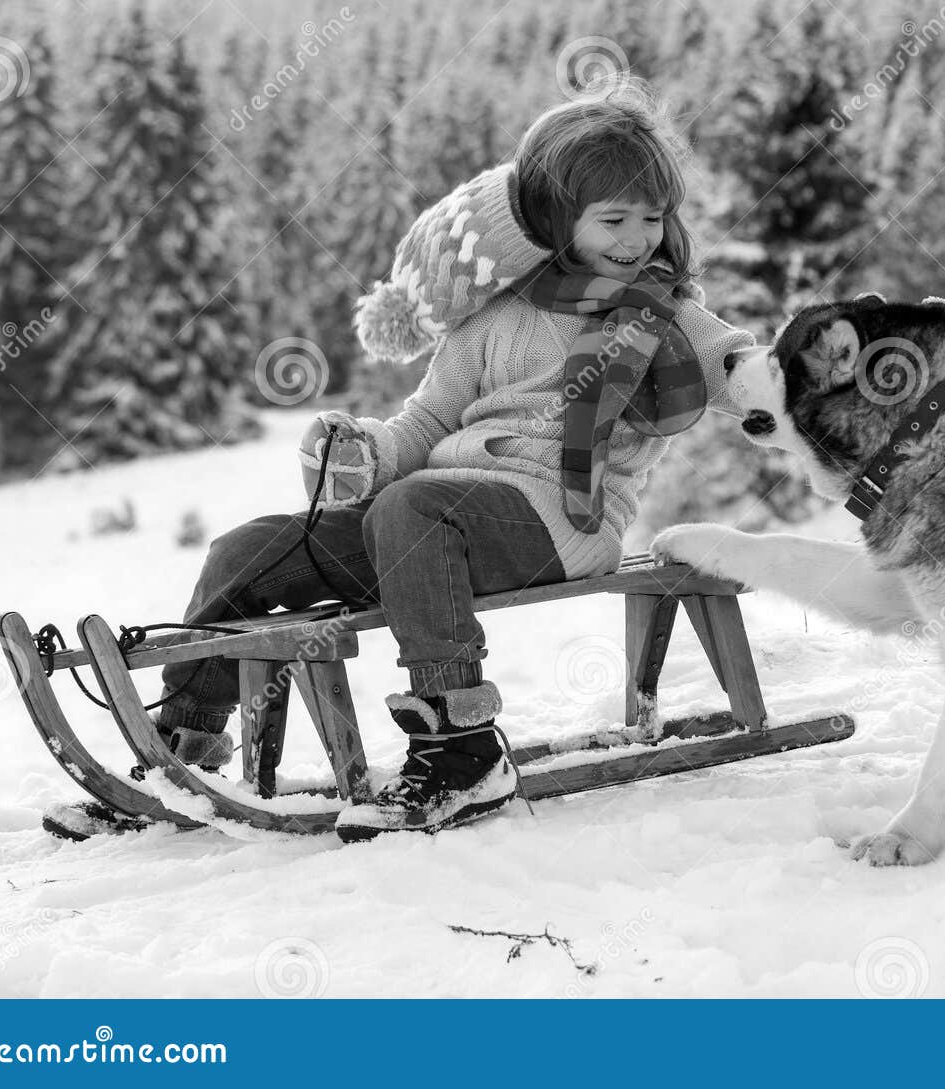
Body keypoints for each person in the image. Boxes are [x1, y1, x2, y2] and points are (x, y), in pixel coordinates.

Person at [153, 77, 752, 841]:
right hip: (432, 526)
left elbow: (734, 362)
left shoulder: (664, 314)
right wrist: (367, 452)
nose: (637, 238)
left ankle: (460, 745)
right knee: (249, 549)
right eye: (613, 219)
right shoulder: (495, 313)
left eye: (652, 218)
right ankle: (186, 743)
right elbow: (428, 417)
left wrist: (788, 376)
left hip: (558, 520)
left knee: (413, 507)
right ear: (554, 221)